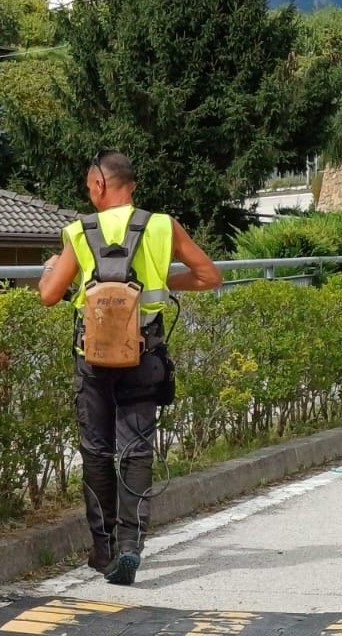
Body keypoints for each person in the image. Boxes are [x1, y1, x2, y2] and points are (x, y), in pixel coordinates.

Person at [38, 151, 222, 585]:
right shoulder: (162, 226)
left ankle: (103, 549)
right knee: (136, 449)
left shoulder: (79, 231)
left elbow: (48, 294)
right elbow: (209, 276)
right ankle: (130, 549)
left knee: (96, 450)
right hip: (145, 355)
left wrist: (50, 269)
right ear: (131, 185)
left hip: (94, 361)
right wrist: (158, 282)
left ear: (100, 185)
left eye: (88, 187)